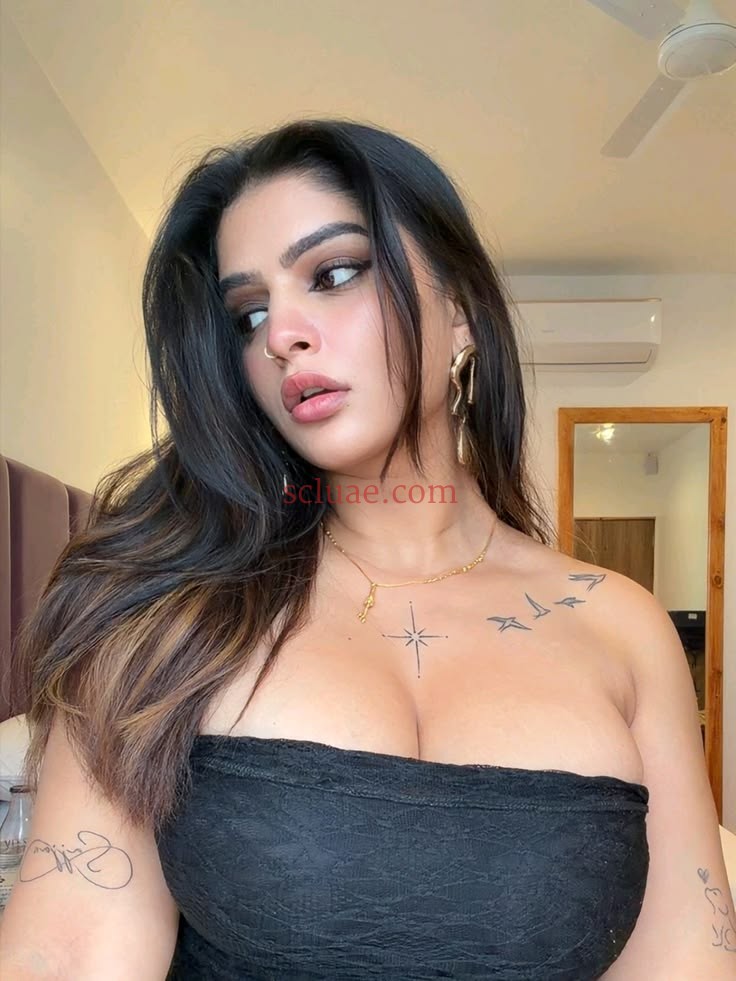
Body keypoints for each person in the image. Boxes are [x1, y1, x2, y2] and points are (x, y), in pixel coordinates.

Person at [1, 119, 732, 980]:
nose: (281, 334)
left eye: (335, 272)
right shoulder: (159, 610)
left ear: (461, 310)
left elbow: (687, 957)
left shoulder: (623, 625)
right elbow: (68, 952)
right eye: (249, 314)